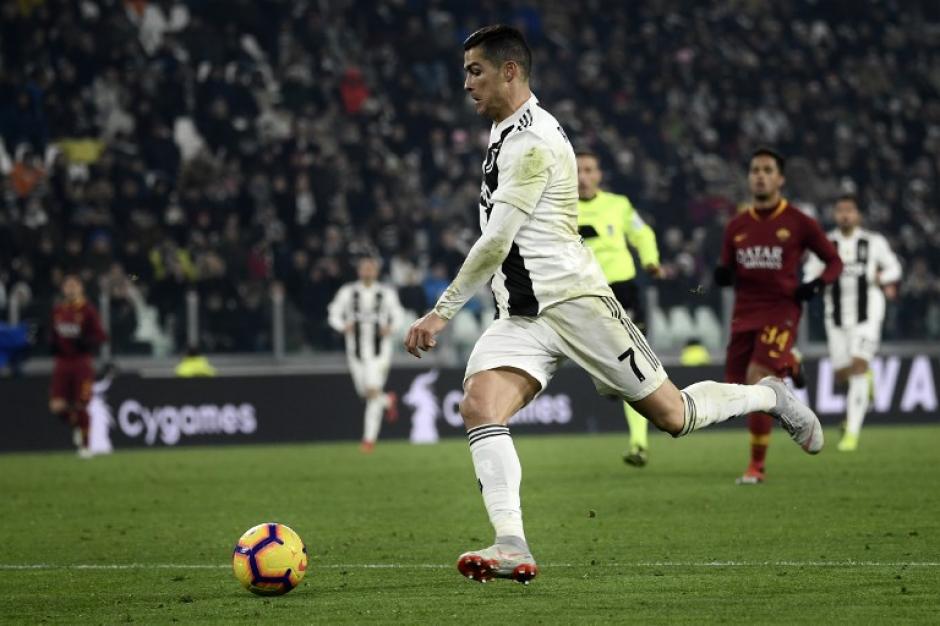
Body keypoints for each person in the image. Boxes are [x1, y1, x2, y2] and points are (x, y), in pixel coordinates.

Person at [404, 25, 824, 585]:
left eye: (475, 71)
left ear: (510, 71)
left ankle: (767, 394)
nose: (466, 84)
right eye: (465, 72)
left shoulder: (534, 142)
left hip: (578, 304)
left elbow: (496, 241)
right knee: (480, 405)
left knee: (675, 416)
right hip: (524, 317)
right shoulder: (504, 133)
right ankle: (511, 543)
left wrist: (442, 310)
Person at [713, 148, 843, 485]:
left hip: (781, 310)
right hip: (745, 313)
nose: (760, 175)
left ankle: (756, 467)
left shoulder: (798, 222)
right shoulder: (737, 225)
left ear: (780, 179)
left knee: (759, 378)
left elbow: (834, 262)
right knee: (736, 387)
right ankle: (791, 364)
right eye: (755, 169)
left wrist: (815, 286)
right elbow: (726, 269)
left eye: (767, 170)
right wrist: (721, 275)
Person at [576, 149, 661, 467]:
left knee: (635, 368)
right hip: (584, 296)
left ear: (599, 175)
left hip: (623, 292)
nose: (582, 176)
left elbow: (642, 232)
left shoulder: (619, 205)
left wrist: (650, 260)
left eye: (588, 169)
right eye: (577, 170)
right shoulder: (560, 209)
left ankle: (639, 443)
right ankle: (607, 379)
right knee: (610, 367)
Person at [804, 194, 901, 452]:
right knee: (841, 375)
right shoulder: (825, 243)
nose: (845, 215)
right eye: (841, 210)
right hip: (835, 318)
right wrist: (813, 285)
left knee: (858, 365)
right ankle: (865, 382)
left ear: (858, 215)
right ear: (835, 215)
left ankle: (852, 433)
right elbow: (810, 273)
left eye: (850, 210)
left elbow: (894, 268)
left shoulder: (873, 242)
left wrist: (881, 277)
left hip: (867, 315)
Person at [328, 256, 404, 453]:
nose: (368, 272)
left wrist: (391, 327)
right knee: (364, 392)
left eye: (371, 268)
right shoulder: (348, 292)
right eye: (365, 269)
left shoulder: (385, 293)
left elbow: (398, 314)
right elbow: (333, 313)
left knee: (371, 392)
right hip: (355, 351)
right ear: (359, 271)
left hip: (379, 352)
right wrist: (342, 325)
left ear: (376, 272)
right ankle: (388, 401)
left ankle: (368, 440)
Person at [49, 274, 108, 458]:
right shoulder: (58, 311)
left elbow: (101, 336)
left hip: (81, 363)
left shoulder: (88, 310)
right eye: (68, 285)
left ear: (81, 288)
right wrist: (51, 343)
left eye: (74, 285)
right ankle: (77, 426)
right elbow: (53, 334)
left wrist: (87, 342)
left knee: (81, 404)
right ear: (63, 289)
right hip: (62, 363)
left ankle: (85, 446)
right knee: (57, 406)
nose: (71, 289)